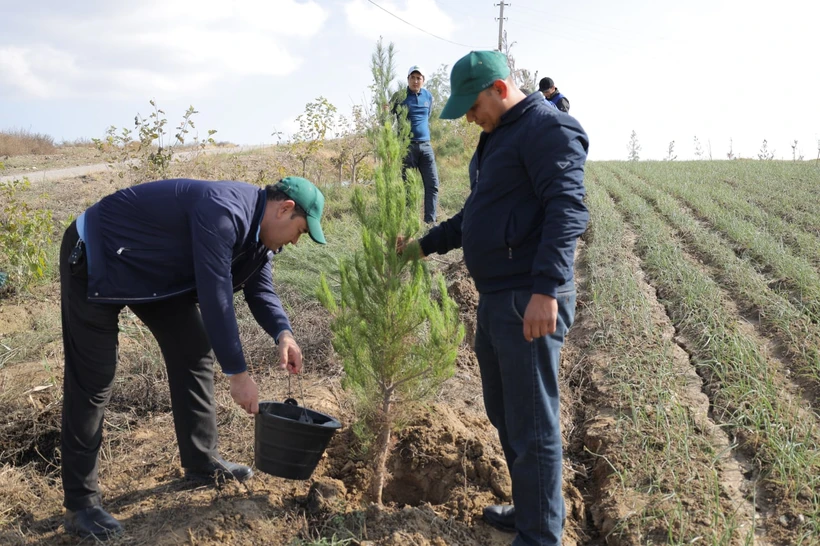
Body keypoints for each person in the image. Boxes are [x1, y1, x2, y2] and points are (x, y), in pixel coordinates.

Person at [59, 176, 326, 540]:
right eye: (299, 231)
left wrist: (284, 333)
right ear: (285, 209)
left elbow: (260, 290)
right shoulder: (224, 211)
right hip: (98, 252)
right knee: (93, 380)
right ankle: (81, 504)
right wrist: (238, 374)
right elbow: (216, 294)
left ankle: (201, 462)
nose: (296, 240)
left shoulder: (258, 237)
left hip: (152, 270)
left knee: (193, 349)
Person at [402, 51, 588, 546]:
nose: (468, 116)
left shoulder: (549, 129)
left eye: (472, 105)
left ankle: (541, 535)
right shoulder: (496, 139)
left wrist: (546, 289)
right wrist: (421, 246)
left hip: (529, 295)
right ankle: (529, 511)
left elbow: (568, 210)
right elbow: (473, 218)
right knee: (506, 415)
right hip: (498, 297)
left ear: (500, 89)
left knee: (533, 424)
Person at [393, 65, 440, 224]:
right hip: (407, 147)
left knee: (432, 184)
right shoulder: (399, 96)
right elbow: (385, 117)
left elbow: (428, 115)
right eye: (412, 77)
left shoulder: (428, 96)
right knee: (408, 188)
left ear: (423, 80)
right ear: (407, 79)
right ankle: (409, 223)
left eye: (418, 78)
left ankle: (430, 223)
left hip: (426, 147)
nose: (415, 80)